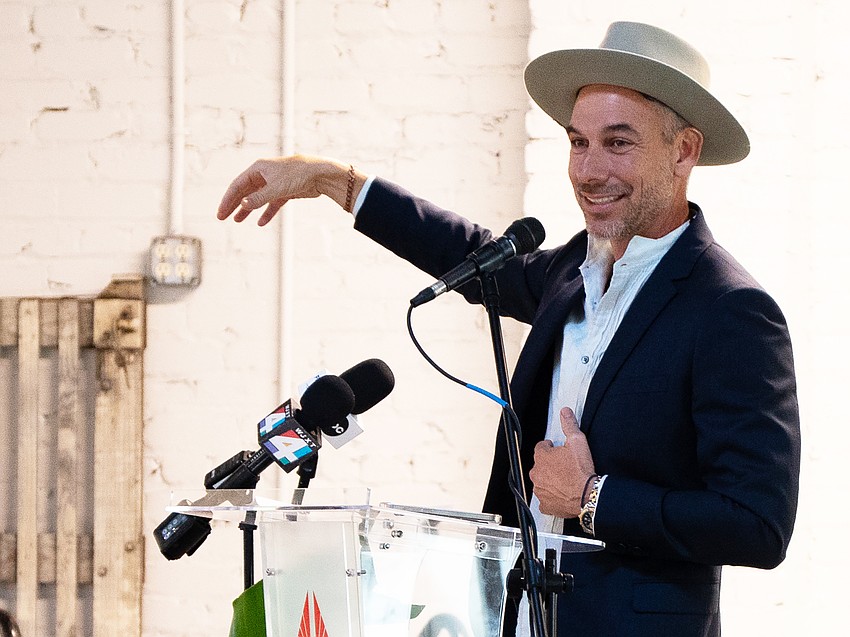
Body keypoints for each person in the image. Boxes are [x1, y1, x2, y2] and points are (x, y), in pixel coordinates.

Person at [217, 21, 800, 637]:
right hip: (512, 618)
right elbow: (473, 259)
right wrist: (334, 181)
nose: (588, 170)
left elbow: (757, 524)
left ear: (683, 151)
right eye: (577, 142)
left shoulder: (731, 311)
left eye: (618, 143)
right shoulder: (572, 270)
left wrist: (592, 498)